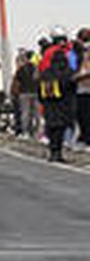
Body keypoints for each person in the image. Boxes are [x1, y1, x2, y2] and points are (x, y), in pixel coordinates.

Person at [38, 28, 78, 163]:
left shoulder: (46, 72)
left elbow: (39, 87)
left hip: (49, 103)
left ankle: (52, 152)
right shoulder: (67, 71)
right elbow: (71, 85)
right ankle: (58, 153)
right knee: (60, 128)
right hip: (63, 103)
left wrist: (42, 101)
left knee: (51, 127)